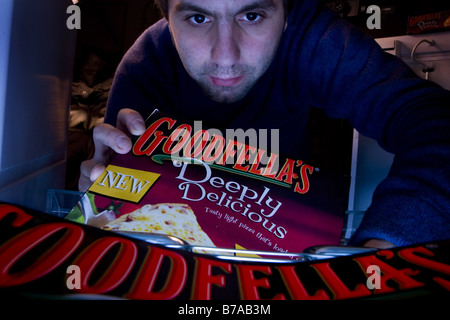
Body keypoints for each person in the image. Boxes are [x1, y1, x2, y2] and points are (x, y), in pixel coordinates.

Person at [79, 0, 450, 249]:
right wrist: (98, 190)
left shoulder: (313, 40)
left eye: (252, 15)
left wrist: (388, 240)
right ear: (166, 17)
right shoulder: (146, 66)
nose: (226, 57)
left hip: (285, 237)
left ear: (286, 13)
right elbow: (115, 215)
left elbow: (433, 119)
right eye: (198, 17)